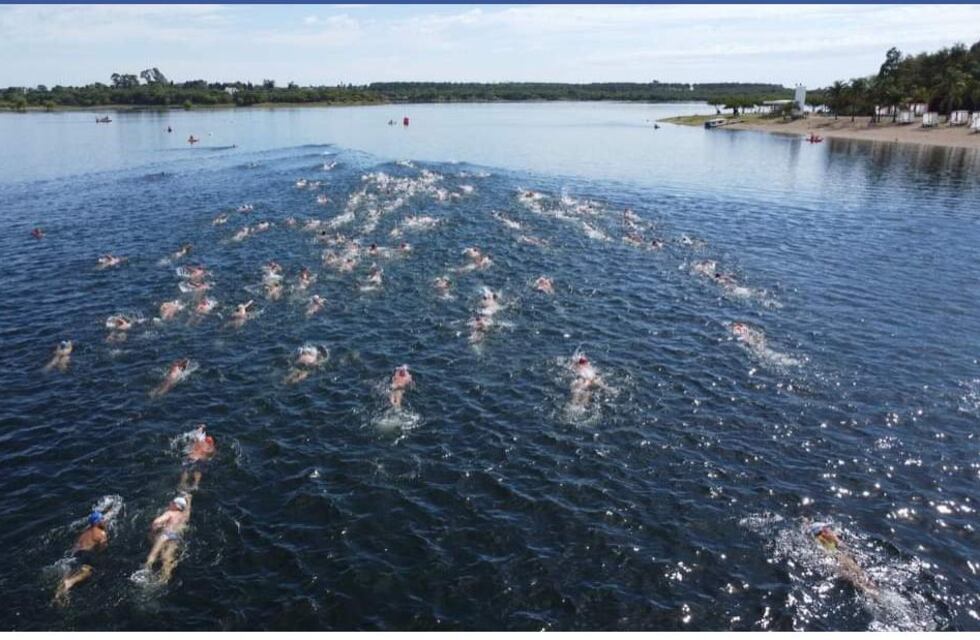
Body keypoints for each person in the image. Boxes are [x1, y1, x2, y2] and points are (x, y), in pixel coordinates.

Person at [53, 510, 109, 605]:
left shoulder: (83, 533)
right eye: (102, 519)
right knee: (89, 571)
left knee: (71, 571)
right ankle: (70, 582)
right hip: (86, 553)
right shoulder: (101, 533)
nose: (105, 520)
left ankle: (59, 591)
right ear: (97, 522)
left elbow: (75, 547)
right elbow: (102, 549)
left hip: (76, 554)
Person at [809, 523, 879, 598]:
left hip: (838, 559)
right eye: (827, 528)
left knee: (860, 579)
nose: (830, 530)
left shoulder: (821, 541)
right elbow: (841, 546)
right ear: (823, 531)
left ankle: (872, 593)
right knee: (860, 578)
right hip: (840, 559)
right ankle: (873, 594)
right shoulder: (826, 538)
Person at [144, 494, 192, 583]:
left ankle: (145, 571)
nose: (170, 503)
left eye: (172, 502)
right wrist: (189, 501)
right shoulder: (184, 516)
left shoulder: (170, 513)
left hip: (165, 535)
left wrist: (156, 527)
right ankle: (164, 578)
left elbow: (156, 521)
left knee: (153, 554)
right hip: (175, 537)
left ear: (176, 505)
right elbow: (188, 512)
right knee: (167, 559)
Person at [180, 425, 216, 492]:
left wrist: (201, 428)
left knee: (186, 471)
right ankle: (195, 484)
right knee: (196, 471)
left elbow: (195, 437)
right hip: (199, 459)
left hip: (191, 458)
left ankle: (183, 484)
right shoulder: (210, 447)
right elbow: (211, 454)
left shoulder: (198, 442)